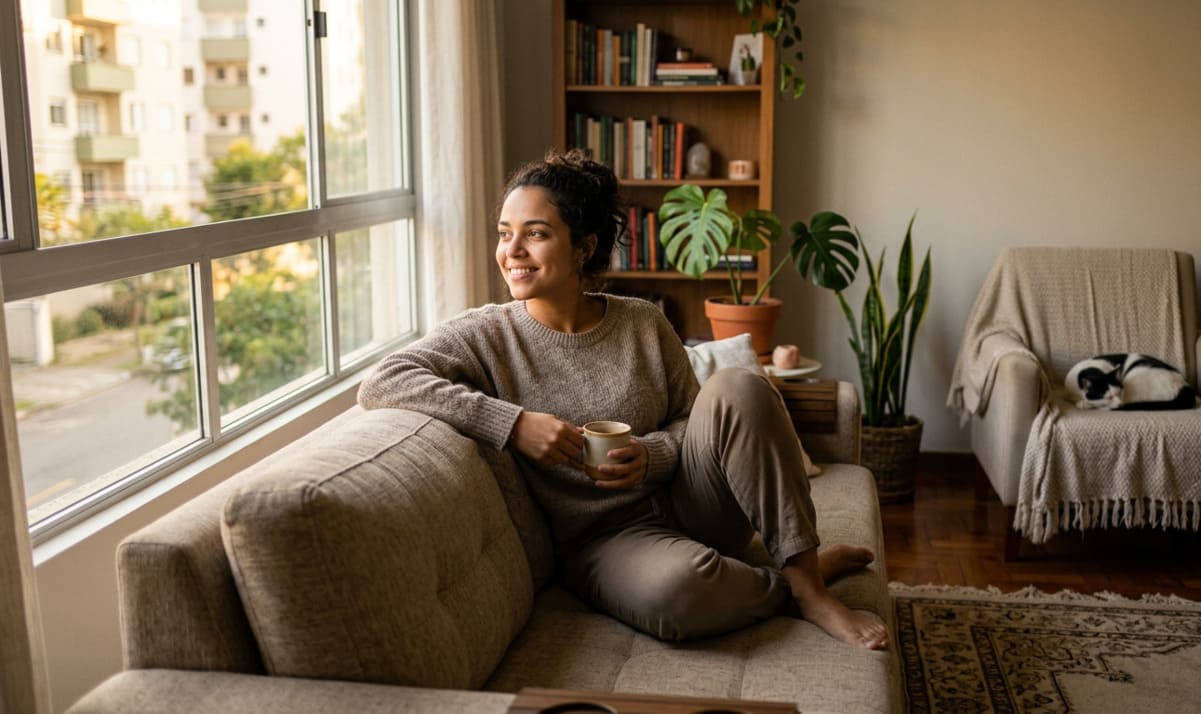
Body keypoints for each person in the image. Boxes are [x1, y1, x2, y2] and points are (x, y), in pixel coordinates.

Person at [356, 149, 888, 649]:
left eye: (534, 234)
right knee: (679, 595)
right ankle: (791, 581)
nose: (511, 251)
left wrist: (652, 454)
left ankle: (810, 587)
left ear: (584, 247)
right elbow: (382, 381)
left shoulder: (643, 322)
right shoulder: (487, 334)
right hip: (607, 542)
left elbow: (691, 417)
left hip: (692, 500)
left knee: (739, 386)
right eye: (504, 234)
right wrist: (513, 424)